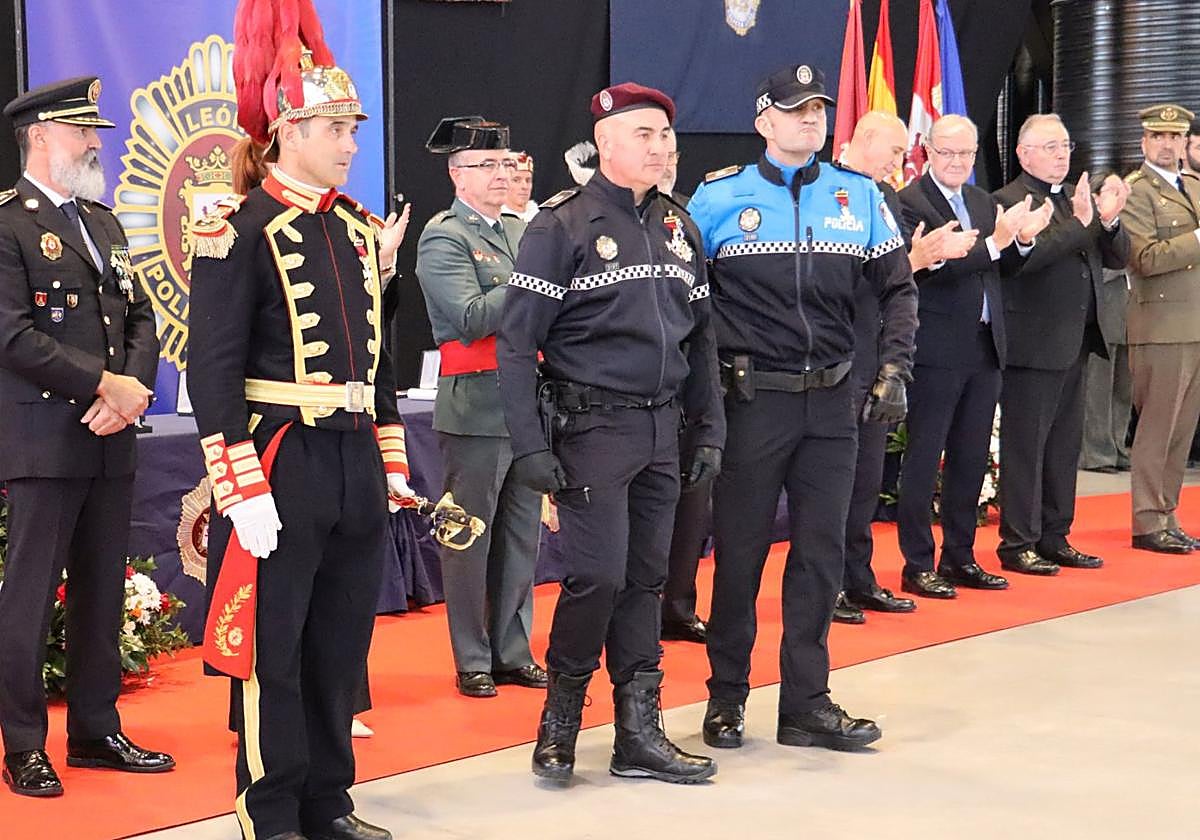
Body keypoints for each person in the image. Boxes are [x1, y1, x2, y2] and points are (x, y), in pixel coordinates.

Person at [188, 4, 412, 838]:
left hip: (353, 459)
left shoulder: (356, 228)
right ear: (283, 131)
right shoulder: (237, 228)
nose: (350, 142)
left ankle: (329, 802)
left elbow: (381, 357)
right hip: (281, 460)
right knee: (270, 653)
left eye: (351, 127)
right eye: (330, 127)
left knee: (340, 646)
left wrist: (391, 460)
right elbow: (209, 367)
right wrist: (237, 482)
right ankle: (271, 809)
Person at [498, 82, 723, 784]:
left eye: (664, 135)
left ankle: (639, 734)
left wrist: (709, 426)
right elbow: (514, 344)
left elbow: (703, 336)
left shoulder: (678, 224)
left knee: (646, 581)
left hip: (664, 428)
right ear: (604, 142)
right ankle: (561, 718)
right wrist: (530, 445)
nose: (660, 148)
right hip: (591, 425)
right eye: (644, 134)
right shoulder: (559, 226)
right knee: (597, 575)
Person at [687, 65, 916, 752]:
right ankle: (726, 699)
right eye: (795, 110)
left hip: (834, 407)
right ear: (764, 122)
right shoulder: (717, 197)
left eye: (818, 109)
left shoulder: (860, 196)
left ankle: (806, 704)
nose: (810, 120)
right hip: (752, 402)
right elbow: (686, 303)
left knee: (820, 556)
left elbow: (899, 289)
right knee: (740, 557)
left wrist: (895, 368)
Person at [0, 76, 173, 798]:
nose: (96, 143)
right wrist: (105, 386)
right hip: (45, 441)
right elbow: (11, 334)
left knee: (102, 591)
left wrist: (130, 391)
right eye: (82, 131)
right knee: (31, 596)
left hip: (109, 437)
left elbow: (141, 316)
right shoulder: (8, 224)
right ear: (40, 136)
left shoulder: (100, 222)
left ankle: (96, 731)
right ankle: (24, 745)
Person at [896, 114, 1050, 600]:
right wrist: (996, 244)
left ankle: (960, 556)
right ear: (926, 150)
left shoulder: (983, 201)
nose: (958, 162)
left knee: (970, 459)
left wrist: (1021, 240)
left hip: (985, 348)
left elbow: (1003, 266)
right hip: (936, 351)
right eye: (947, 153)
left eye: (966, 153)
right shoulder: (910, 201)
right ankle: (917, 563)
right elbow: (927, 273)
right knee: (924, 460)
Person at [417, 116, 545, 698]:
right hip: (475, 404)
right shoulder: (444, 235)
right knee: (468, 535)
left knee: (521, 536)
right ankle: (471, 655)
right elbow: (469, 318)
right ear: (456, 174)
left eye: (507, 163)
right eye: (486, 165)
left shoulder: (519, 233)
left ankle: (512, 650)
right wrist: (535, 281)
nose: (502, 174)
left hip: (525, 402)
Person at [992, 114, 1130, 575]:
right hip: (1032, 344)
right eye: (1050, 147)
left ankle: (1056, 535)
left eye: (1065, 146)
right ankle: (1018, 542)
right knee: (1026, 448)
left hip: (1077, 339)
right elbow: (1024, 263)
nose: (1060, 155)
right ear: (1023, 153)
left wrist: (1108, 224)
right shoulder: (1007, 200)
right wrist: (1082, 224)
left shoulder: (1078, 198)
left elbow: (1116, 257)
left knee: (1063, 447)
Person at [834, 110, 954, 623]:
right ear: (867, 140)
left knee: (864, 480)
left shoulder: (883, 197)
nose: (900, 162)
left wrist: (910, 262)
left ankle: (859, 578)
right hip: (835, 356)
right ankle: (829, 584)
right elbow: (841, 277)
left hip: (875, 356)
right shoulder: (827, 189)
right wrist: (913, 259)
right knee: (834, 486)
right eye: (895, 150)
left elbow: (892, 283)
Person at [1120, 104, 1200, 554]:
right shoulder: (1137, 192)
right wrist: (1197, 240)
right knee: (1157, 427)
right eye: (1158, 136)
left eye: (1175, 137)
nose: (1168, 144)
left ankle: (1168, 514)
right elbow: (1144, 258)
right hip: (1161, 324)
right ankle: (1148, 521)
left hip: (1194, 323)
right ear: (1144, 142)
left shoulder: (1191, 185)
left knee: (1181, 429)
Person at [658, 125, 710, 643]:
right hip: (637, 387)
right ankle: (628, 614)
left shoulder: (693, 216)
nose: (666, 162)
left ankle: (678, 605)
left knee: (693, 503)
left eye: (673, 155)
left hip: (690, 379)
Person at [502, 151, 539, 222]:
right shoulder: (495, 220)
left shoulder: (541, 217)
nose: (524, 186)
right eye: (516, 180)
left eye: (528, 180)